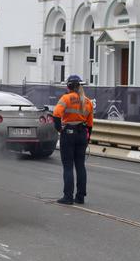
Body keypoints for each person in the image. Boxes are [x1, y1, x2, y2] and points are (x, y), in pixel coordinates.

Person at [52, 75, 94, 205]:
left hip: (69, 133)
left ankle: (68, 197)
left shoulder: (65, 98)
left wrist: (60, 130)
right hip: (82, 134)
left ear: (68, 86)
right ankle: (80, 197)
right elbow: (90, 124)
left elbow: (56, 114)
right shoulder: (88, 101)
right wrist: (87, 139)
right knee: (80, 166)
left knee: (68, 166)